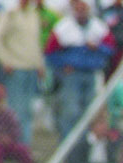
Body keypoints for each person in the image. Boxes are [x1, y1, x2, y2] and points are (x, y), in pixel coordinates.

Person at [45, 0, 115, 138]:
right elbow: (49, 53)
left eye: (84, 8)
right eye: (78, 8)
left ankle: (85, 145)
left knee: (90, 112)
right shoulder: (63, 27)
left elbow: (110, 49)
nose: (81, 11)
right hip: (72, 75)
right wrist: (63, 65)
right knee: (71, 111)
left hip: (92, 73)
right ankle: (69, 146)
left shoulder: (98, 27)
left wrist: (97, 48)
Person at [0, 0, 45, 145]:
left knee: (28, 110)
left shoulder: (34, 14)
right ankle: (19, 146)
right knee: (17, 110)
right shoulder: (9, 14)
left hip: (31, 69)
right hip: (16, 68)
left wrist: (39, 64)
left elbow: (36, 42)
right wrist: (5, 60)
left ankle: (25, 147)